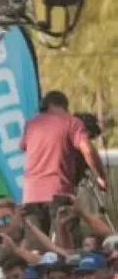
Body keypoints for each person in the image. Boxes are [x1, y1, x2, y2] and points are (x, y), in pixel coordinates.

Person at [21, 90, 110, 239]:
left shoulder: (31, 124)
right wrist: (101, 176)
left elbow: (24, 146)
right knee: (68, 248)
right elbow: (87, 150)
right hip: (59, 192)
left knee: (37, 250)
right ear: (64, 106)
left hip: (31, 195)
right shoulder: (71, 122)